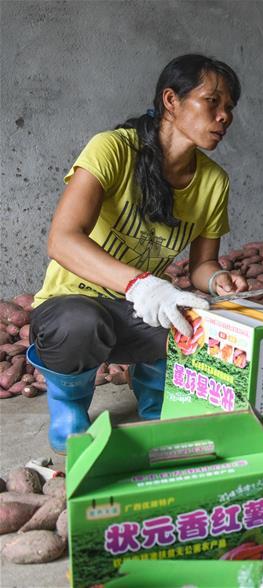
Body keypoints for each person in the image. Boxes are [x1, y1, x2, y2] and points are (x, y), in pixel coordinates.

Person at [27, 54, 248, 453]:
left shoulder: (214, 182)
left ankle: (158, 399)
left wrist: (218, 280)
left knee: (198, 326)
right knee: (79, 322)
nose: (224, 116)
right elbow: (62, 239)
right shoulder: (112, 149)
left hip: (138, 310)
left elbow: (202, 265)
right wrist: (140, 283)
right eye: (212, 102)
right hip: (70, 305)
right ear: (171, 100)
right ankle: (69, 405)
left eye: (229, 107)